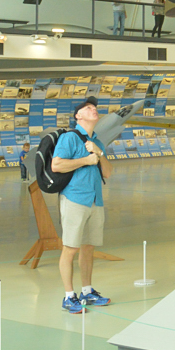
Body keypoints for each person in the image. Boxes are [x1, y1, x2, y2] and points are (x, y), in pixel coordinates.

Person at [51, 98, 112, 313]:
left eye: (95, 108)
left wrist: (99, 152)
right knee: (70, 248)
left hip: (95, 200)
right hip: (75, 199)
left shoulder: (97, 142)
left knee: (88, 248)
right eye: (88, 108)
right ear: (78, 116)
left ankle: (87, 292)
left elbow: (107, 172)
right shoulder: (69, 138)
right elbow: (56, 164)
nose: (94, 110)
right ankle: (69, 296)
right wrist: (85, 160)